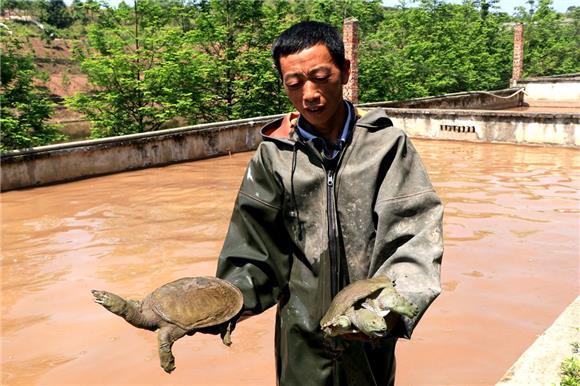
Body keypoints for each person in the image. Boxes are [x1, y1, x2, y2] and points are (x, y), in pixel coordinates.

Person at [216, 21, 443, 386]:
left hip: (368, 334)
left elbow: (413, 239)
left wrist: (389, 311)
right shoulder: (273, 157)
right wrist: (222, 303)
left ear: (345, 71)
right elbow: (254, 252)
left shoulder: (387, 148)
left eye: (321, 77)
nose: (309, 94)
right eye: (294, 83)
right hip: (301, 338)